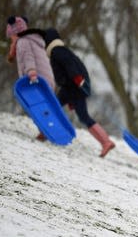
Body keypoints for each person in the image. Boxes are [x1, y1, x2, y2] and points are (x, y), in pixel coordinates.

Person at [43, 27, 115, 157]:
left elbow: (70, 65)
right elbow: (75, 65)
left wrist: (77, 79)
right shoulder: (62, 50)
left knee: (56, 107)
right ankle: (106, 141)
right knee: (76, 113)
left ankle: (44, 132)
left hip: (72, 88)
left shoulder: (57, 51)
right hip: (72, 88)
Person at [6, 16, 55, 141]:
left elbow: (28, 57)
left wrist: (31, 72)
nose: (12, 40)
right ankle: (46, 129)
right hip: (47, 78)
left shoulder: (23, 42)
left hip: (36, 79)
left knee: (35, 105)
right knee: (41, 105)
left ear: (15, 33)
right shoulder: (34, 40)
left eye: (11, 37)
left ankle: (45, 130)